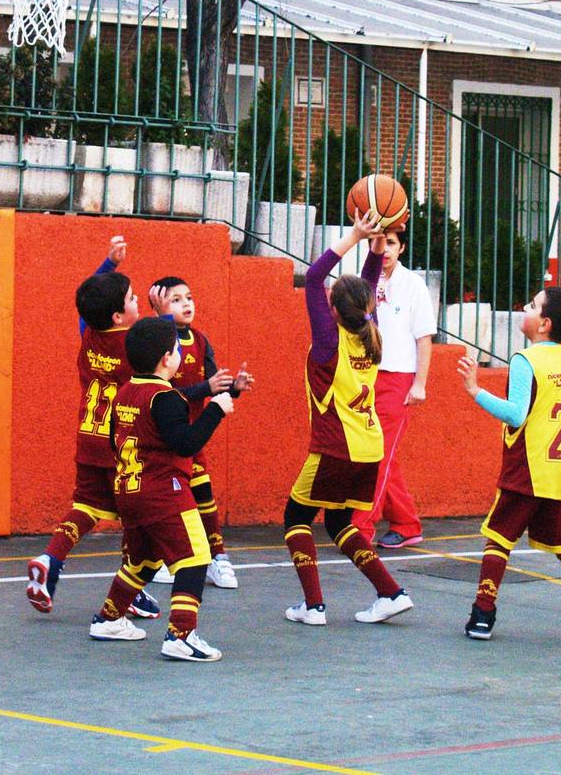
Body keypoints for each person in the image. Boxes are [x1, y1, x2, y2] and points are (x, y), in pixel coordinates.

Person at [283, 211, 414, 627]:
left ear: (334, 311)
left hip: (335, 447)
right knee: (340, 522)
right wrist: (375, 248)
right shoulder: (370, 329)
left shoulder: (330, 339)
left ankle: (313, 606)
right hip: (368, 447)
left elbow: (314, 275)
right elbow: (366, 286)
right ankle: (391, 593)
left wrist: (357, 235)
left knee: (295, 518)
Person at [457, 287, 561, 642]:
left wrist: (475, 390)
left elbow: (516, 413)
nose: (526, 307)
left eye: (533, 305)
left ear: (544, 324)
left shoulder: (526, 360)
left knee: (497, 539)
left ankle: (483, 615)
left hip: (526, 469)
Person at [26, 236, 158, 619]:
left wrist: (108, 265)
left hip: (89, 438)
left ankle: (51, 558)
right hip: (123, 443)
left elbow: (88, 300)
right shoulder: (136, 344)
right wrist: (166, 312)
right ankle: (128, 590)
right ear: (118, 317)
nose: (138, 303)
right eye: (133, 299)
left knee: (84, 508)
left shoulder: (89, 333)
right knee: (136, 519)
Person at [89, 316, 234, 661]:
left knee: (143, 560)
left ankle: (109, 618)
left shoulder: (125, 392)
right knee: (196, 557)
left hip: (129, 489)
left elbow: (114, 439)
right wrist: (215, 410)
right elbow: (186, 444)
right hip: (163, 493)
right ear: (167, 358)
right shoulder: (165, 397)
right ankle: (181, 634)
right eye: (177, 349)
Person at [146, 276, 254, 589]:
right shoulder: (158, 339)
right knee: (163, 502)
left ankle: (217, 558)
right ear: (161, 306)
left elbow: (212, 385)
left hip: (190, 438)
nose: (186, 304)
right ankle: (158, 559)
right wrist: (204, 388)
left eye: (189, 297)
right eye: (176, 299)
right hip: (161, 436)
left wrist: (234, 388)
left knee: (203, 494)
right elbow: (162, 390)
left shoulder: (201, 340)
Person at [352, 228, 436, 549]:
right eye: (380, 242)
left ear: (401, 248)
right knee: (383, 457)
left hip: (398, 377)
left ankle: (361, 527)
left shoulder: (413, 284)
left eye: (391, 243)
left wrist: (420, 384)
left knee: (377, 454)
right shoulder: (365, 282)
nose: (384, 249)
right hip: (367, 377)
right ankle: (407, 523)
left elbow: (424, 337)